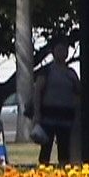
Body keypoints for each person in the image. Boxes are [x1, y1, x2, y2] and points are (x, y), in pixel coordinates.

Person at [33, 35, 80, 166]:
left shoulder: (71, 72)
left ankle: (64, 169)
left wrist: (74, 81)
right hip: (48, 114)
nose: (62, 53)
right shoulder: (46, 71)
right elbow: (37, 91)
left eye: (65, 50)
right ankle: (43, 169)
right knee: (46, 147)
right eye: (59, 50)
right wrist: (37, 113)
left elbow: (78, 92)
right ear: (53, 52)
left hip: (66, 115)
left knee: (64, 148)